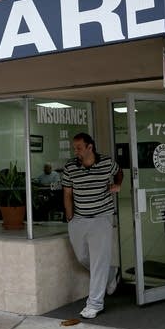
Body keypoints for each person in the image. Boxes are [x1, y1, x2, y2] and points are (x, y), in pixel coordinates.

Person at [61, 132, 123, 319]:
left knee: (98, 261)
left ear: (90, 147)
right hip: (79, 219)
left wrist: (117, 185)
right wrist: (70, 217)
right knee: (82, 257)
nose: (76, 151)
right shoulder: (70, 167)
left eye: (79, 147)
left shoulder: (106, 163)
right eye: (74, 148)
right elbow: (67, 193)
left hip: (102, 217)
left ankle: (95, 304)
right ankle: (111, 274)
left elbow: (119, 172)